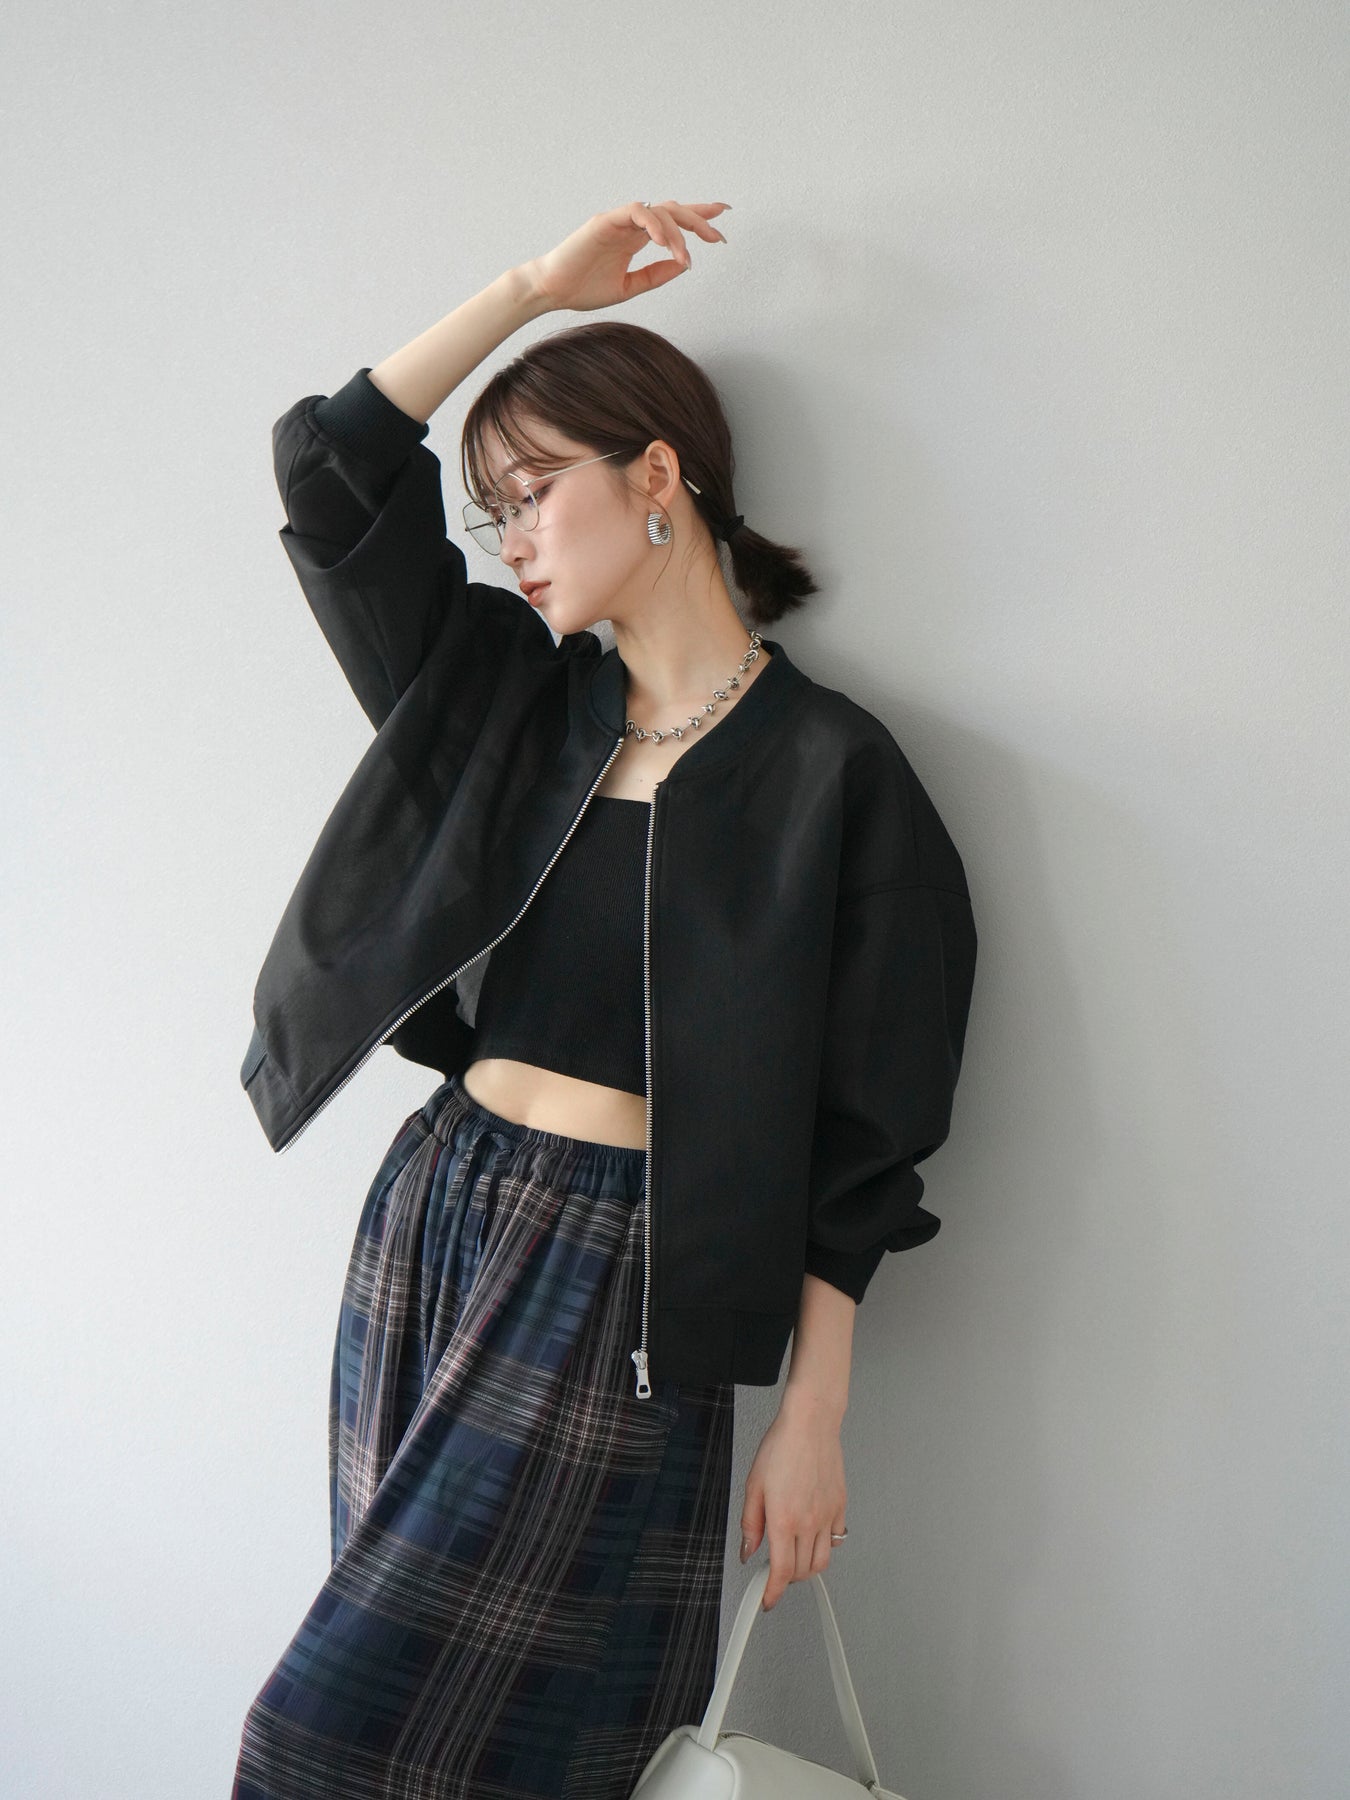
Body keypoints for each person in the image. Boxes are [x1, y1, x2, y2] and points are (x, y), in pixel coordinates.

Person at [232, 199, 978, 1799]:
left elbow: (868, 1140)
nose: (507, 539)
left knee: (334, 1745)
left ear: (656, 478)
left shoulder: (832, 776)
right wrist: (526, 292)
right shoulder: (500, 695)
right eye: (489, 508)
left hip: (631, 1275)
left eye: (532, 495)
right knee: (422, 1751)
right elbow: (329, 477)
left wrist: (812, 1418)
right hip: (439, 1211)